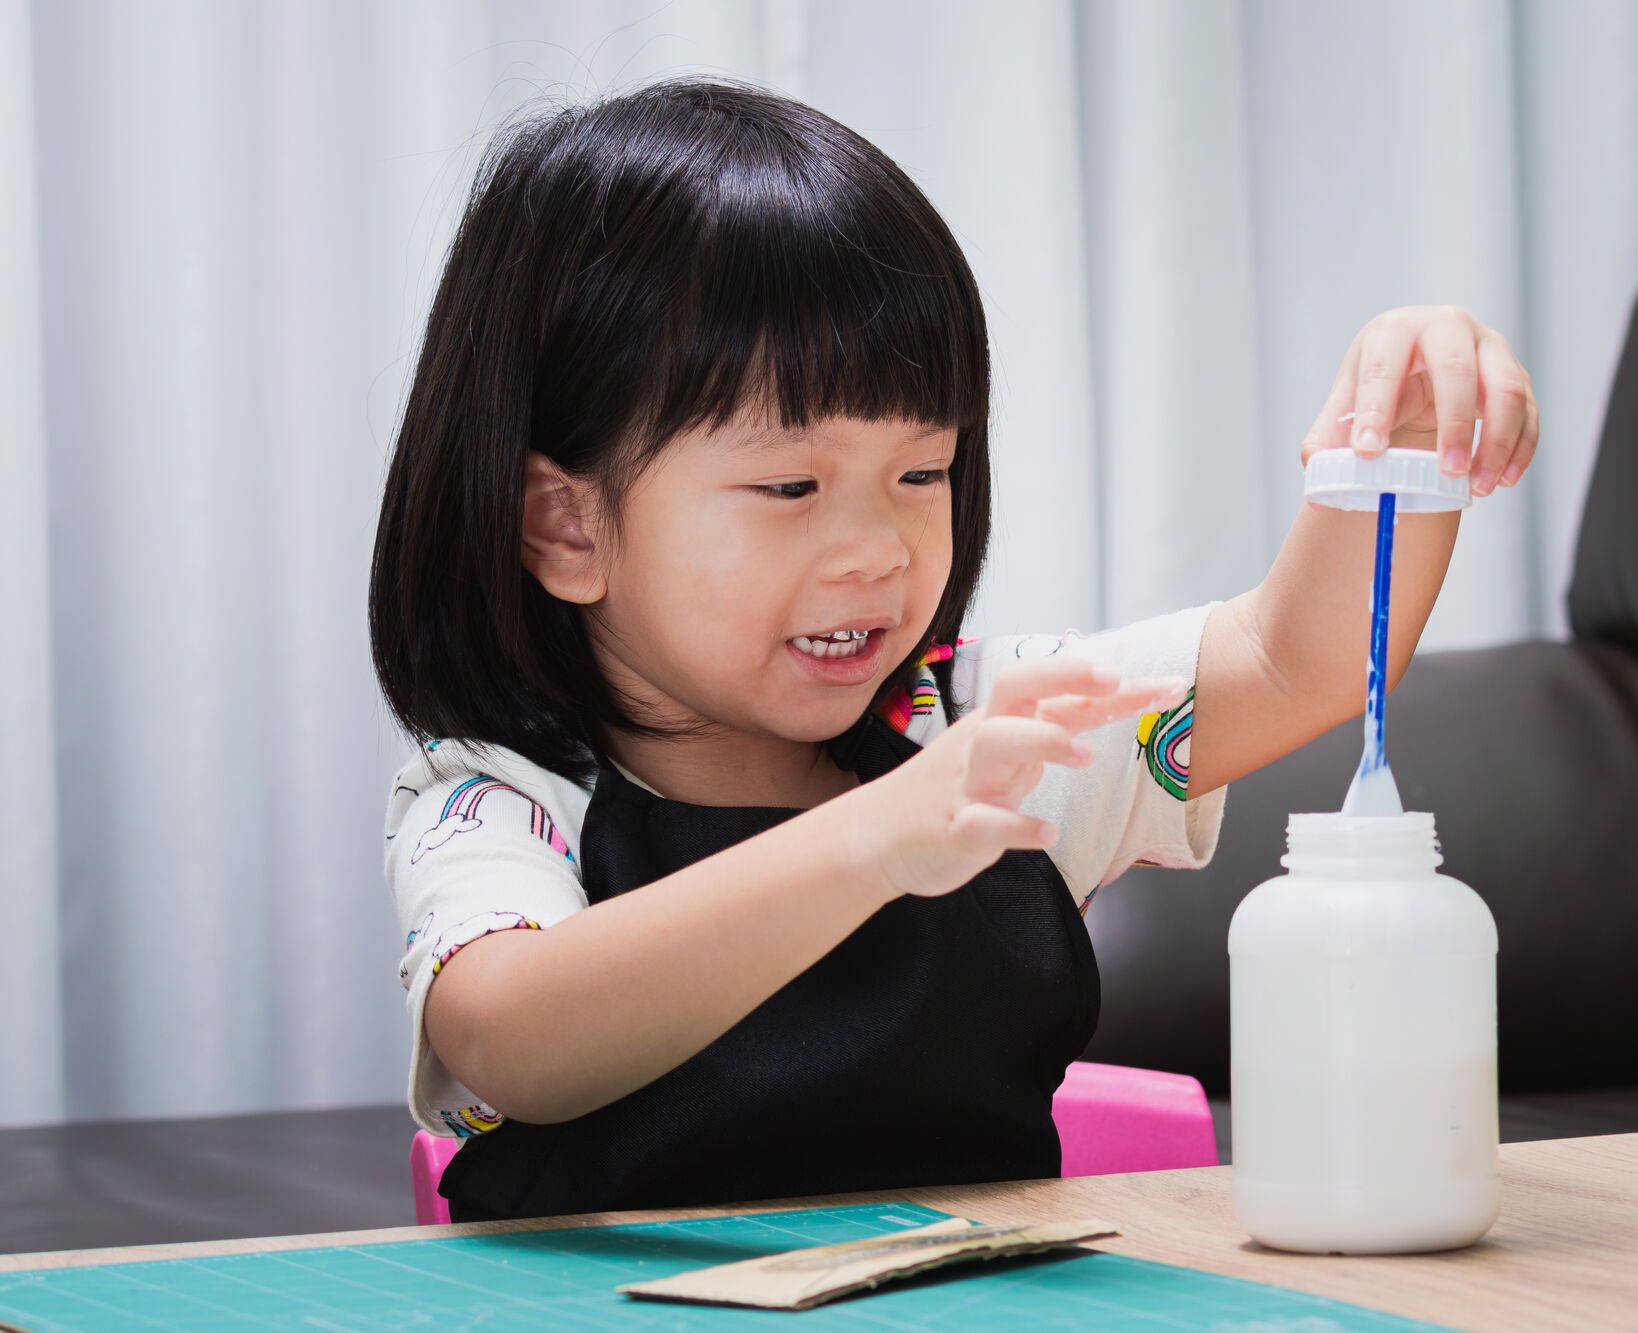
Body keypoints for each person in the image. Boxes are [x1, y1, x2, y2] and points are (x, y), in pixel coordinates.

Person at [369, 79, 1537, 1222]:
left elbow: (1297, 662)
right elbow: (511, 1039)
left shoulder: (984, 724)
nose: (878, 549)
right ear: (566, 525)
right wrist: (877, 840)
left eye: (921, 471)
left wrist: (1401, 447)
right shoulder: (497, 797)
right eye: (789, 483)